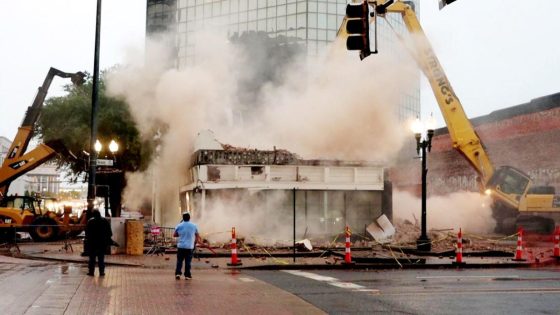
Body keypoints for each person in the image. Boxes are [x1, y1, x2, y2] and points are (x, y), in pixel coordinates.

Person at [85, 210, 113, 276]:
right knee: (101, 259)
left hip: (92, 244)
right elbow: (110, 233)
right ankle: (102, 272)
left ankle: (91, 272)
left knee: (92, 259)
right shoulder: (105, 221)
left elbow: (87, 233)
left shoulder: (90, 221)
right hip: (102, 244)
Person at [174, 211, 200, 280]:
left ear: (183, 218)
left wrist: (180, 233)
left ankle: (178, 274)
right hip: (189, 247)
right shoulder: (194, 226)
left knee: (179, 261)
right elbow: (197, 235)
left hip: (181, 246)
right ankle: (187, 275)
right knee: (188, 262)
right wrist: (195, 242)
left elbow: (175, 235)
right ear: (189, 218)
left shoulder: (179, 225)